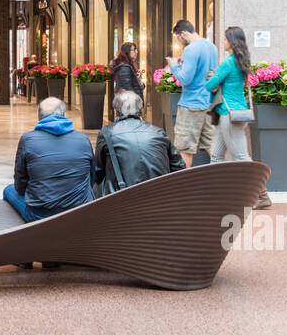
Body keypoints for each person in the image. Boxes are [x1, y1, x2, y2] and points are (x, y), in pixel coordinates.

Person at [206, 25, 271, 210]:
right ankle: (216, 195)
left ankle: (263, 195)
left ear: (232, 42)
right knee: (217, 155)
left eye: (226, 39)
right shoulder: (242, 61)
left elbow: (210, 84)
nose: (223, 42)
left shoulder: (228, 62)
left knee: (241, 155)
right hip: (234, 113)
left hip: (229, 115)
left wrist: (214, 85)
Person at [3, 96, 95, 222]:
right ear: (65, 115)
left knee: (8, 190)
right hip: (78, 212)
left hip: (39, 215)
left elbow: (20, 186)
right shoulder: (83, 139)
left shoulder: (27, 139)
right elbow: (91, 179)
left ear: (39, 117)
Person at [94, 90, 185, 196]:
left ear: (116, 112)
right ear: (141, 109)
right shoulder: (158, 132)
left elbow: (98, 172)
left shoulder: (107, 133)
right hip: (160, 199)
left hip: (121, 198)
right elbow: (178, 166)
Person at [164, 19, 218, 168]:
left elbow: (185, 79)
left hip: (191, 104)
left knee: (184, 148)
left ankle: (184, 187)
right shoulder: (212, 47)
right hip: (208, 103)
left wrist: (174, 65)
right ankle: (228, 179)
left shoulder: (191, 49)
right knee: (211, 145)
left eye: (178, 38)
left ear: (183, 34)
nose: (180, 42)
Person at [110, 42, 143, 122]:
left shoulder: (127, 65)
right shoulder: (125, 67)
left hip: (127, 103)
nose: (136, 52)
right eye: (134, 50)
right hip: (128, 104)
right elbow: (128, 88)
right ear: (127, 52)